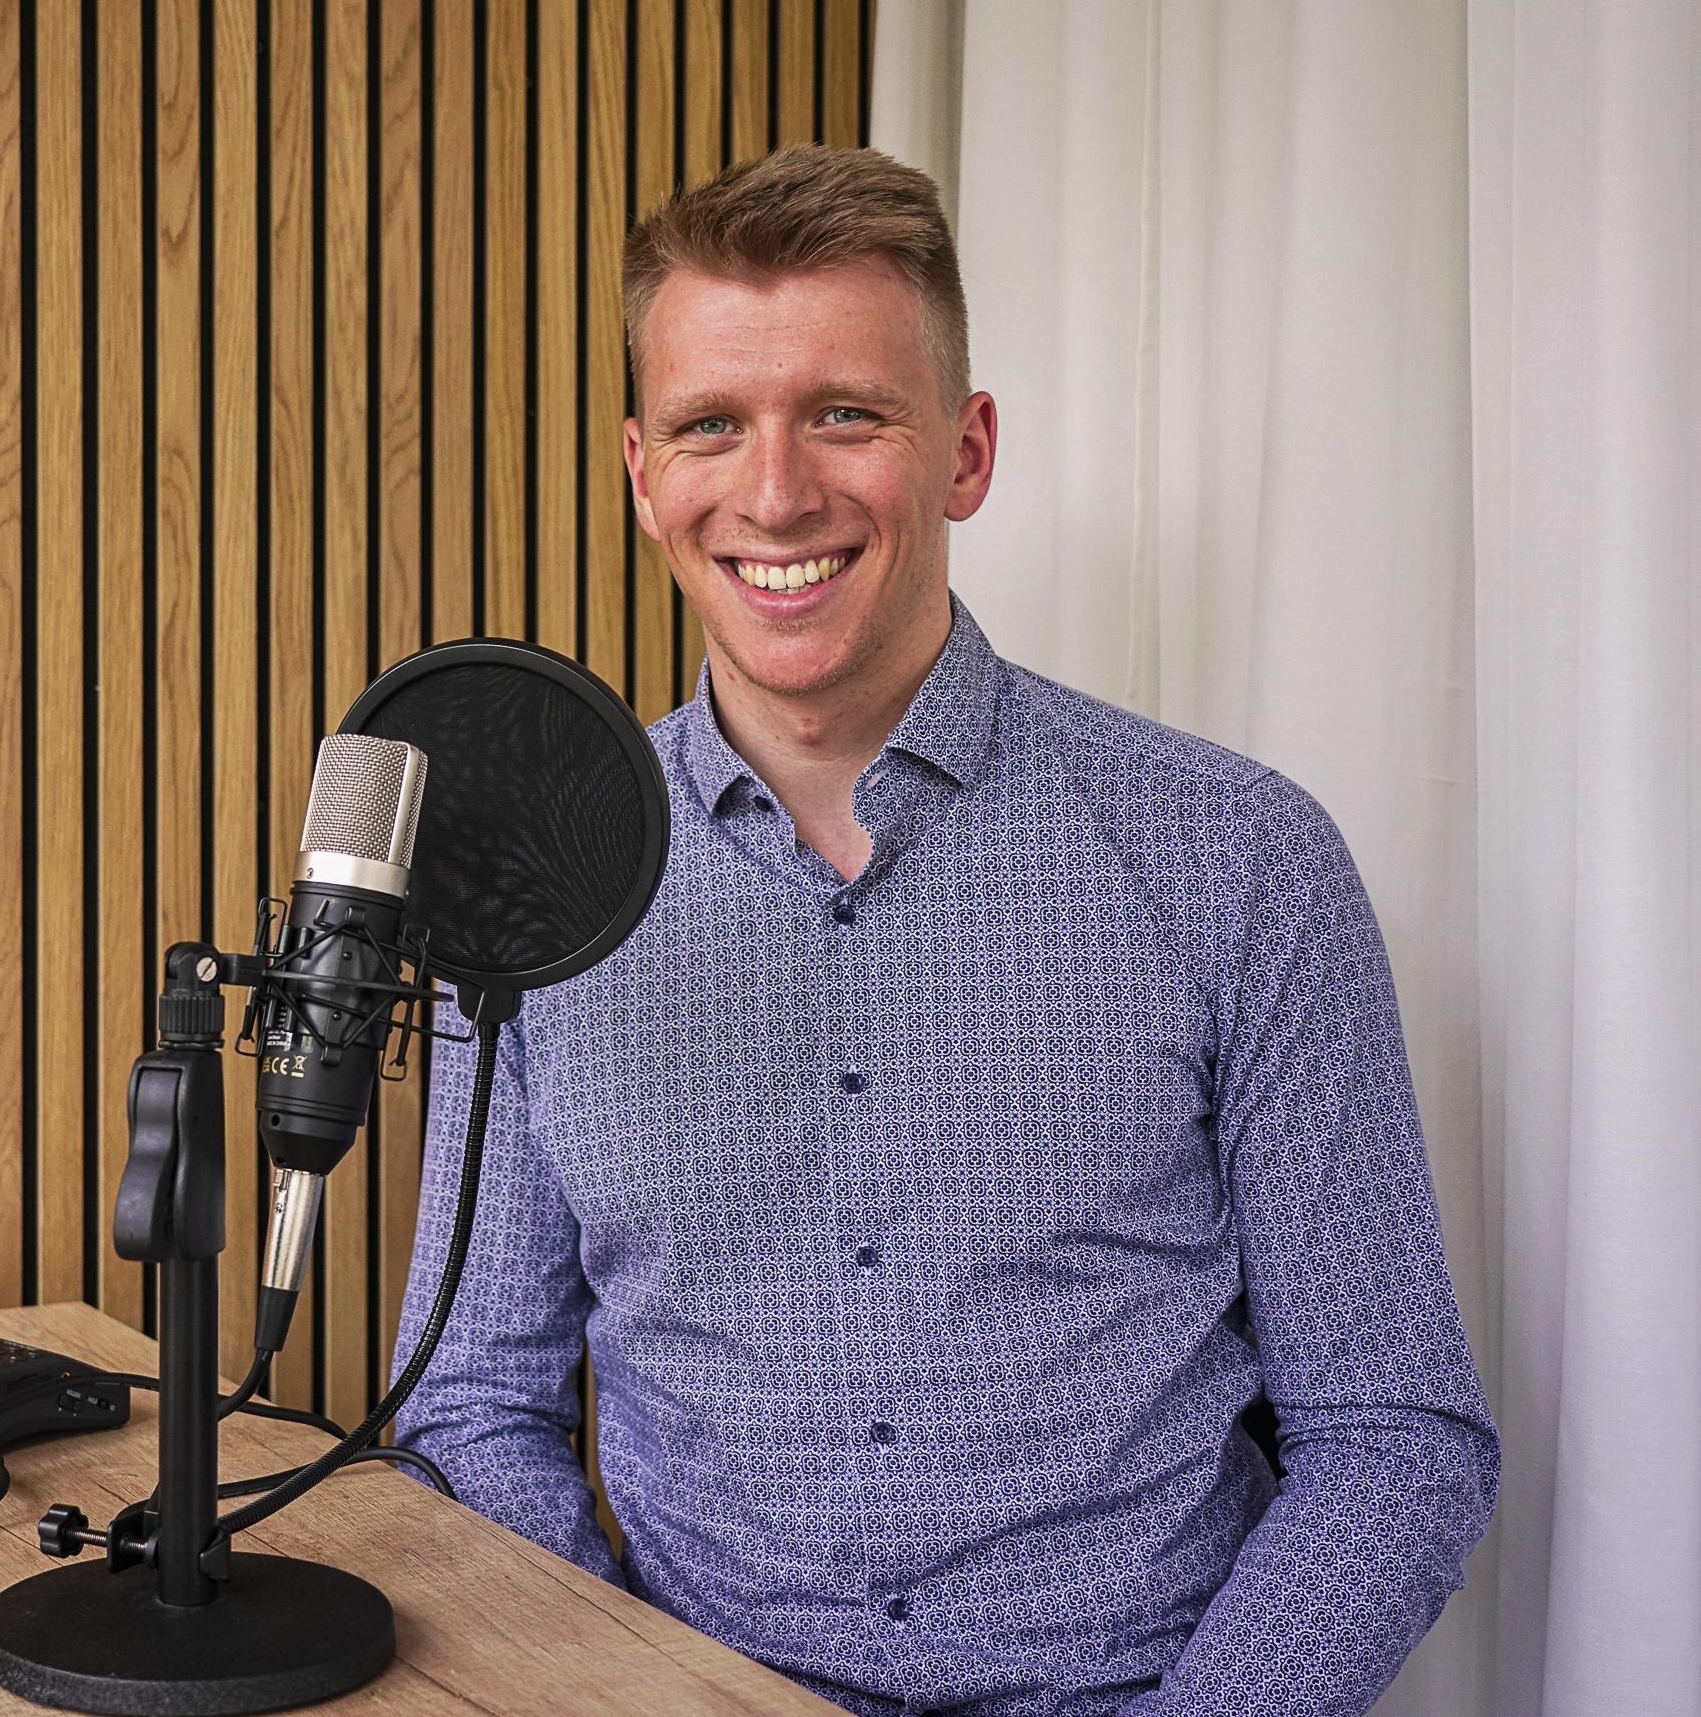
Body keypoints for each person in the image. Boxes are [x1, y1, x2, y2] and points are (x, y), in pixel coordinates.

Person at [390, 145, 1498, 1717]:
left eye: (847, 414)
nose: (776, 492)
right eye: (712, 425)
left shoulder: (1241, 858)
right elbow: (469, 1406)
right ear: (644, 474)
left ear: (967, 452)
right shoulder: (524, 896)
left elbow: (1392, 1435)